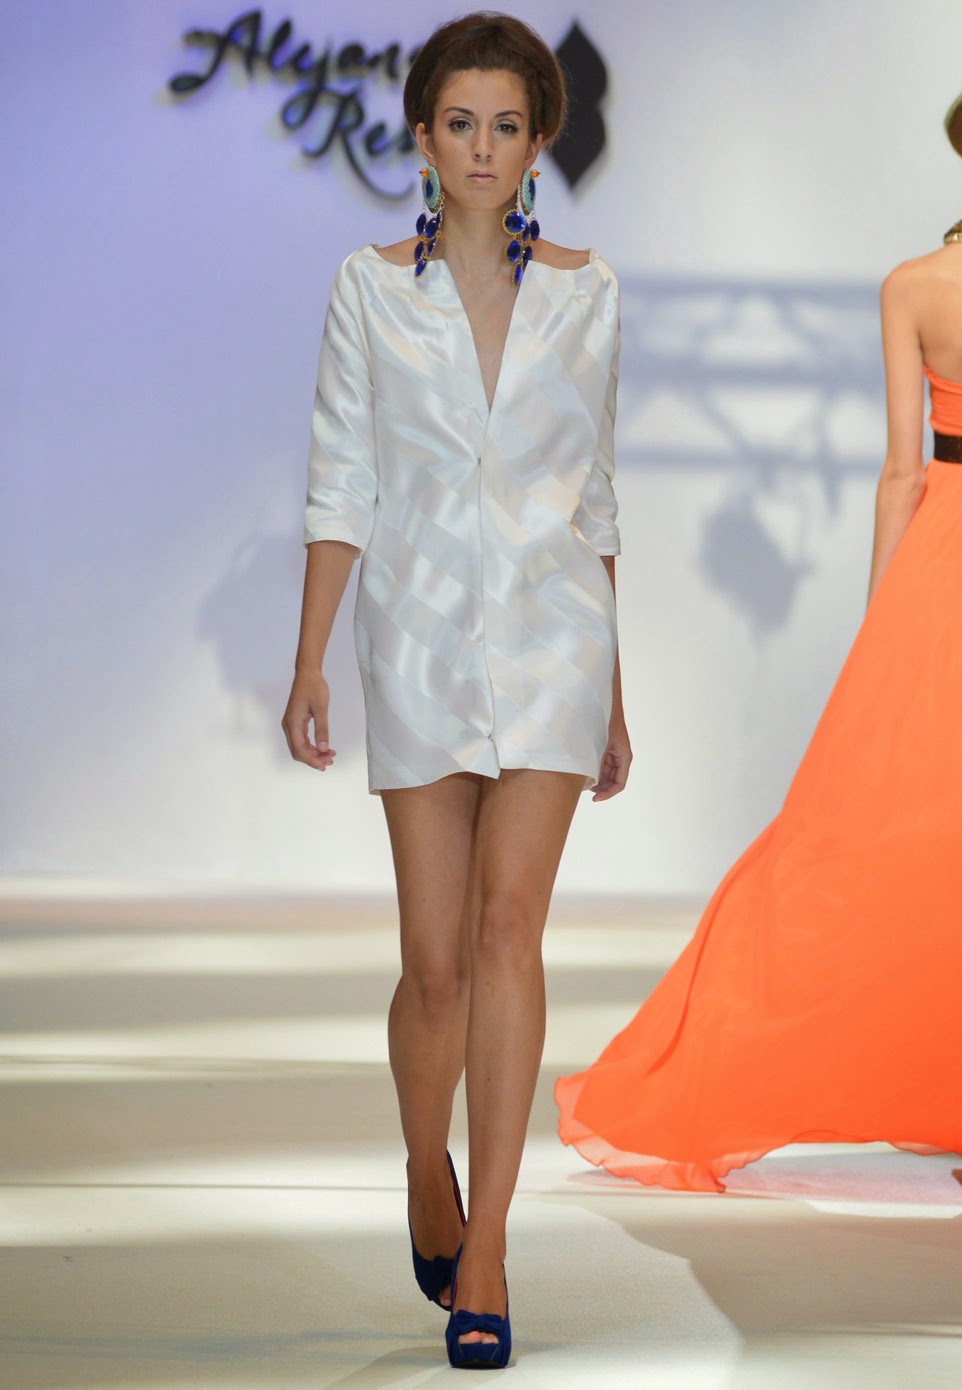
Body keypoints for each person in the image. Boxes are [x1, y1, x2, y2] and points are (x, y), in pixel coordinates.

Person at [281, 13, 630, 1368]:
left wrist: (614, 688)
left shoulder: (589, 294)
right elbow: (340, 480)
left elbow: (595, 495)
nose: (483, 148)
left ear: (538, 141)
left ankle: (487, 1249)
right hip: (417, 639)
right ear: (422, 135)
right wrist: (309, 657)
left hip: (555, 639)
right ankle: (425, 1168)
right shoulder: (368, 291)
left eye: (507, 125)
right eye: (460, 123)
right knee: (432, 968)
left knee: (504, 931)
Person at [555, 89, 962, 1194]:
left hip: (941, 572)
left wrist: (882, 627)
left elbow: (902, 472)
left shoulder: (914, 286)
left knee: (872, 837)